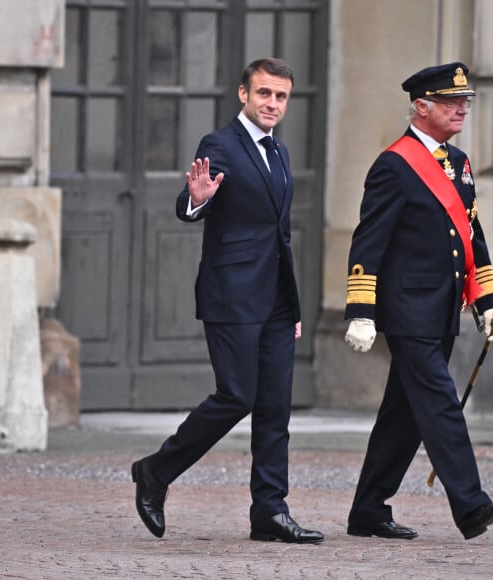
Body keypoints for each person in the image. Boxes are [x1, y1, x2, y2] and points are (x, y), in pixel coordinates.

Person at [131, 58, 324, 544]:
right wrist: (195, 198)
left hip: (276, 301)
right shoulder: (220, 144)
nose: (272, 104)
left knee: (276, 405)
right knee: (237, 395)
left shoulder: (278, 152)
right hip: (233, 295)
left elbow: (280, 237)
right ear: (244, 94)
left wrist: (294, 308)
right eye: (264, 94)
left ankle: (270, 511)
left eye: (281, 96)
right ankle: (156, 472)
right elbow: (190, 203)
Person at [343, 62, 493, 541]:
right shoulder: (394, 165)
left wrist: (486, 301)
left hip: (442, 309)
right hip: (407, 310)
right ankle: (471, 505)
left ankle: (368, 510)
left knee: (403, 414)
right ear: (421, 107)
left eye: (464, 101)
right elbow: (368, 243)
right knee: (440, 403)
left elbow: (471, 235)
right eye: (450, 102)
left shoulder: (457, 162)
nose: (461, 108)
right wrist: (361, 310)